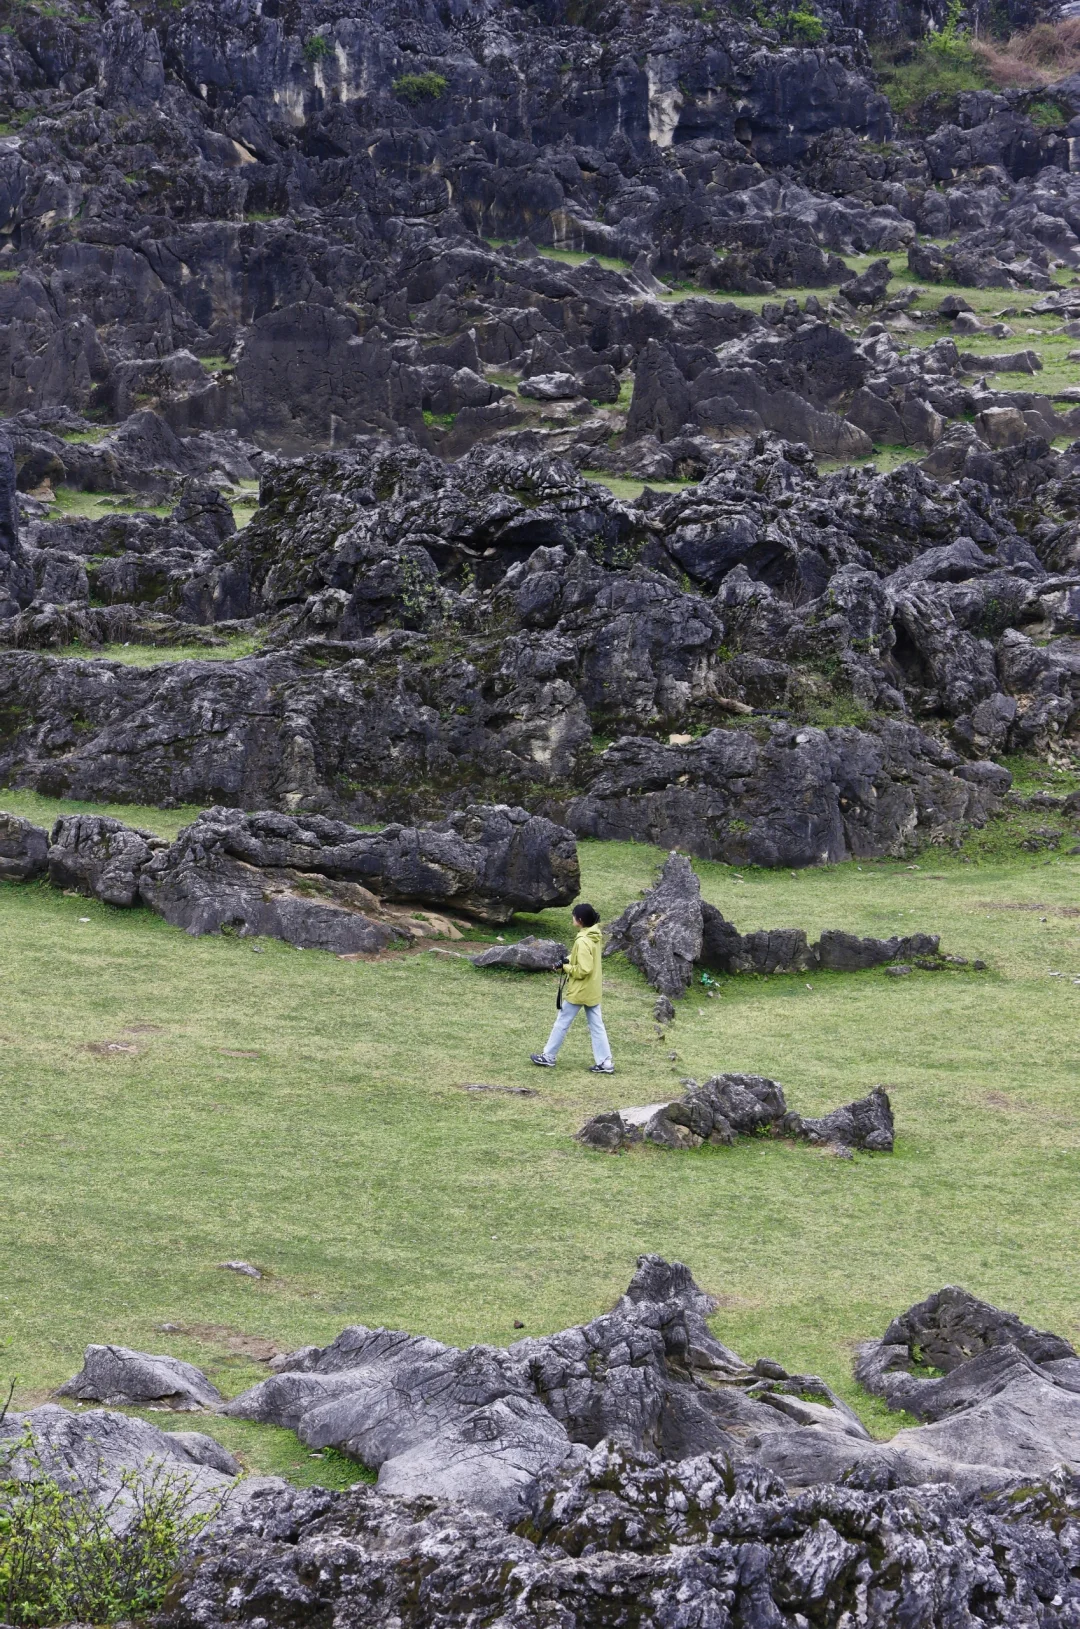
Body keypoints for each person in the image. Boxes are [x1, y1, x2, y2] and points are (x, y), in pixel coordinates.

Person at [530, 902, 614, 1073]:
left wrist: (566, 968)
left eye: (574, 916)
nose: (572, 918)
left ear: (580, 920)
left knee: (562, 1022)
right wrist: (566, 960)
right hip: (593, 989)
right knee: (597, 1025)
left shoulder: (583, 940)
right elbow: (581, 957)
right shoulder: (594, 935)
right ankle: (605, 1063)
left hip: (580, 990)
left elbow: (583, 969)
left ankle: (548, 1056)